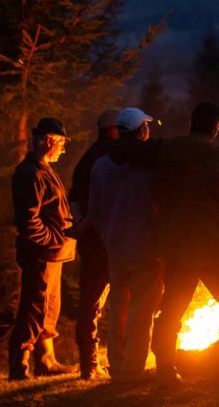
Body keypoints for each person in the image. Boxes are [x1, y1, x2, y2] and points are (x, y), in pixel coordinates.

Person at [150, 102, 219, 385]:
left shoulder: (167, 149)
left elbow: (155, 189)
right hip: (213, 247)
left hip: (177, 245)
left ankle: (165, 371)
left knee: (170, 310)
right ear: (214, 127)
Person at [83, 107, 163, 380]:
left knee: (119, 310)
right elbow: (160, 205)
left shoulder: (101, 166)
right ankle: (133, 368)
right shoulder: (150, 166)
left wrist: (107, 236)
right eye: (146, 127)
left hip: (115, 250)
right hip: (147, 251)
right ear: (142, 131)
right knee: (142, 313)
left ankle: (117, 365)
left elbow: (95, 212)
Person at [9, 117, 77, 380]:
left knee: (49, 308)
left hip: (53, 255)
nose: (63, 148)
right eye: (61, 142)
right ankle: (20, 367)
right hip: (41, 255)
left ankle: (46, 361)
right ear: (48, 140)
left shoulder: (43, 168)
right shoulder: (30, 173)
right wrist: (54, 239)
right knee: (34, 309)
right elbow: (29, 220)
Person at [68, 108, 120, 380]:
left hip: (92, 242)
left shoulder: (87, 159)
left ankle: (89, 364)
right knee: (124, 301)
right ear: (112, 130)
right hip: (111, 241)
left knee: (90, 303)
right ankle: (121, 361)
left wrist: (80, 225)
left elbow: (74, 196)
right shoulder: (115, 157)